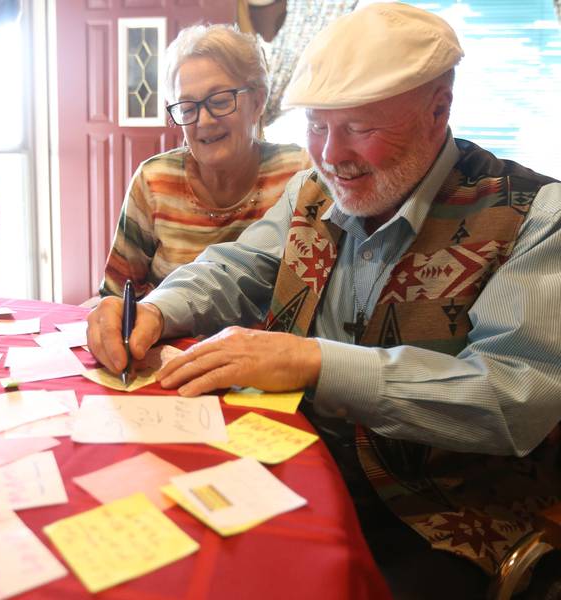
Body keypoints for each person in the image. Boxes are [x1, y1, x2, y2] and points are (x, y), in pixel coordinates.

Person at [88, 4, 561, 598]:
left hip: (434, 513)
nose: (332, 155)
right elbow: (238, 266)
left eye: (360, 127)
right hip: (291, 457)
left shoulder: (537, 218)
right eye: (317, 125)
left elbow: (512, 397)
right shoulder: (311, 186)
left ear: (438, 109)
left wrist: (312, 362)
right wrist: (160, 308)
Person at [99, 23, 310, 299]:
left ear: (257, 102)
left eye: (221, 101)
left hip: (268, 342)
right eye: (187, 108)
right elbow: (118, 295)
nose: (205, 121)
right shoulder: (154, 181)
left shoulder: (298, 173)